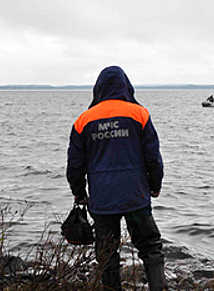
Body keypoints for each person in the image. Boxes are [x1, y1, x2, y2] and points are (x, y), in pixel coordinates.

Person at [66, 66, 166, 291]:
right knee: (150, 247)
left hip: (103, 199)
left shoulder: (83, 120)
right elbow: (153, 156)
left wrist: (79, 192)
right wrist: (155, 185)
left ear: (98, 89)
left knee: (107, 253)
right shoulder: (139, 114)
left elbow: (75, 164)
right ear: (126, 86)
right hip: (136, 195)